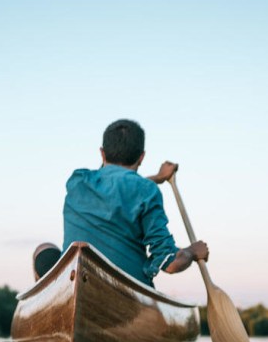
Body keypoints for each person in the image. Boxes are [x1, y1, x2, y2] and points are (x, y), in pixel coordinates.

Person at [34, 119, 209, 285]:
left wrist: (157, 177)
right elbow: (170, 263)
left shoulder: (78, 180)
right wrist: (193, 252)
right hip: (126, 286)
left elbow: (113, 183)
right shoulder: (147, 191)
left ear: (102, 153)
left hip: (75, 278)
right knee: (45, 249)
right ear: (141, 157)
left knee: (42, 249)